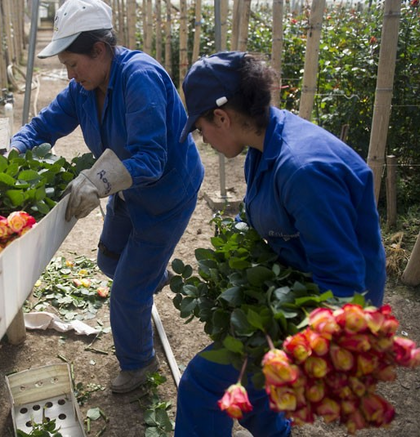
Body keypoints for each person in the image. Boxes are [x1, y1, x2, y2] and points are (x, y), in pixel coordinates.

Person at [174, 52, 387, 436]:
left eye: (201, 128)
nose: (202, 138)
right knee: (247, 389)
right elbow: (258, 219)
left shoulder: (304, 171)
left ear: (222, 117)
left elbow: (342, 283)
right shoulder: (264, 143)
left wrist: (309, 355)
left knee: (203, 385)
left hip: (333, 308)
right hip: (298, 283)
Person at [9, 0, 204, 393]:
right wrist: (16, 150)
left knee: (127, 292)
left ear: (99, 50)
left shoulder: (140, 77)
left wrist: (96, 182)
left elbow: (151, 159)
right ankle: (152, 274)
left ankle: (139, 364)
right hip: (126, 191)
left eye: (72, 63)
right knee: (109, 258)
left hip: (166, 194)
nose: (69, 73)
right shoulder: (83, 88)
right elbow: (44, 126)